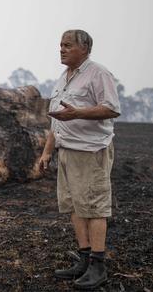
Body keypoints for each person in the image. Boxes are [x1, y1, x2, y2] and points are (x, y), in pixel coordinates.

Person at [38, 29, 121, 290]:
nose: (61, 49)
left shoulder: (98, 73)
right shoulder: (64, 78)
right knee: (74, 206)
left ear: (84, 48)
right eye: (60, 45)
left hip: (90, 151)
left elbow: (111, 108)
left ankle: (98, 266)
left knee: (94, 207)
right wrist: (47, 151)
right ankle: (84, 259)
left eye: (67, 45)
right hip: (66, 151)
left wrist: (78, 114)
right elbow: (56, 120)